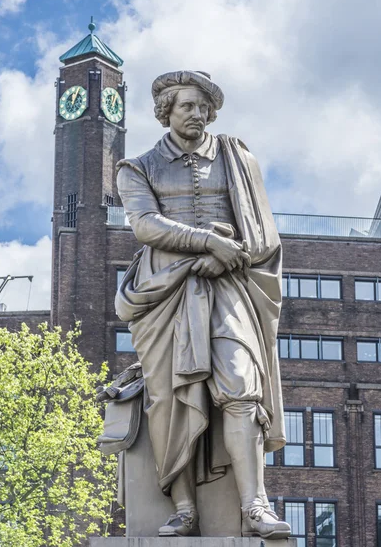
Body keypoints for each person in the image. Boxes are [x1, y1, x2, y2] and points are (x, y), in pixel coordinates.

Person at [115, 70, 290, 540]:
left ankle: (255, 505)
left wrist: (228, 257)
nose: (197, 114)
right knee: (169, 399)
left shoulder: (237, 156)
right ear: (166, 111)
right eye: (187, 106)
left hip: (229, 286)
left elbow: (262, 232)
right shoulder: (137, 166)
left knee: (241, 387)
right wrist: (208, 243)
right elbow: (146, 226)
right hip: (165, 293)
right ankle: (184, 507)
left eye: (203, 106)